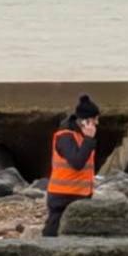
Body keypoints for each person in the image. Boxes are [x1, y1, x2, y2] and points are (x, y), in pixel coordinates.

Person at [43, 95, 101, 236]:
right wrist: (89, 139)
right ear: (85, 121)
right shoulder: (65, 136)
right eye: (95, 119)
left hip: (80, 193)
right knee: (53, 232)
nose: (97, 123)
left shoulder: (80, 136)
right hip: (62, 194)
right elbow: (77, 162)